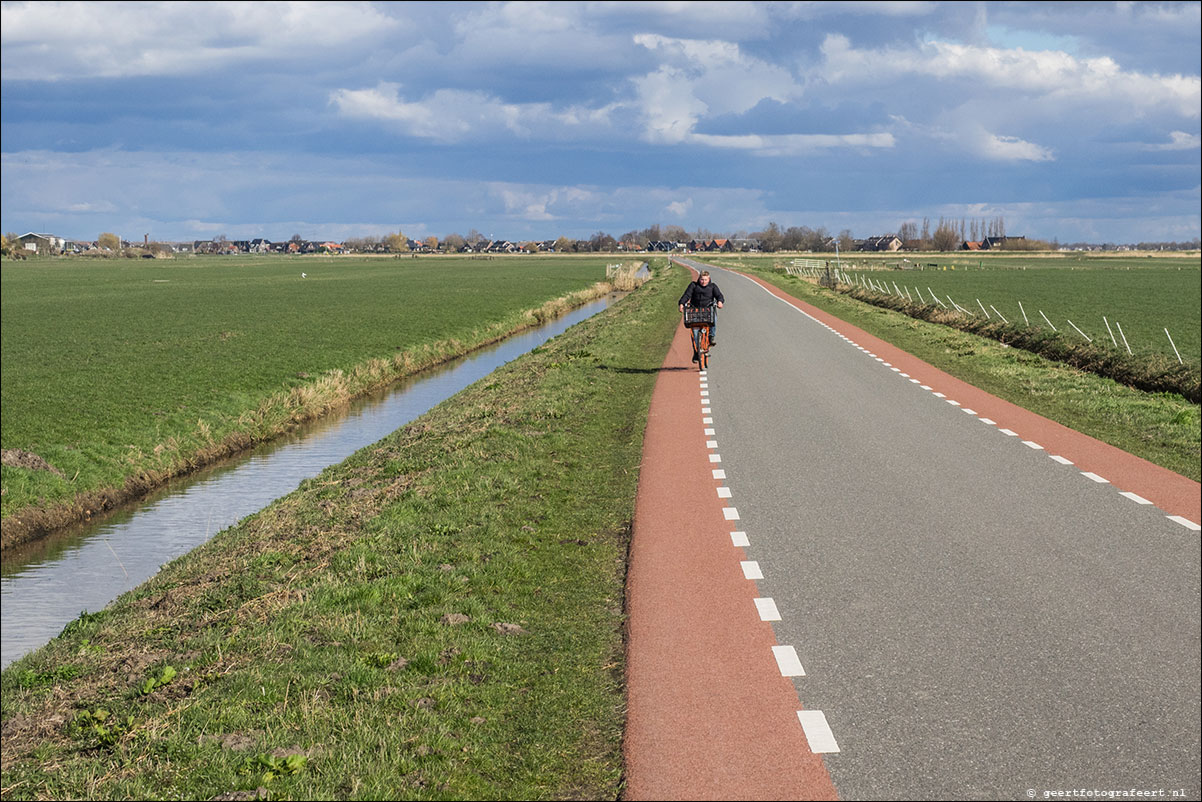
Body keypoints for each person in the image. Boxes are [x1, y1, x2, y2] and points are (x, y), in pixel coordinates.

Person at [679, 271, 725, 354]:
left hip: (708, 311)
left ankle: (711, 336)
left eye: (705, 280)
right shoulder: (693, 285)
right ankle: (696, 352)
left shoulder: (713, 286)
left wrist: (720, 302)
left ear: (709, 279)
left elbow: (719, 296)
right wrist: (681, 303)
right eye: (702, 280)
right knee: (695, 333)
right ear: (699, 279)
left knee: (714, 318)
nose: (703, 282)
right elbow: (686, 295)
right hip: (695, 311)